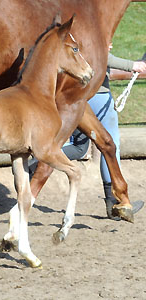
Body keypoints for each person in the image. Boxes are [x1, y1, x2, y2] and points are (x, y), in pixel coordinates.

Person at [29, 45, 146, 220]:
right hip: (98, 95)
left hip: (76, 95)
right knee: (112, 143)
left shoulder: (74, 34)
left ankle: (37, 161)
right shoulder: (89, 29)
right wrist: (133, 65)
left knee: (80, 147)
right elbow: (102, 55)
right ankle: (114, 201)